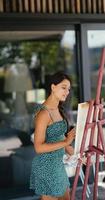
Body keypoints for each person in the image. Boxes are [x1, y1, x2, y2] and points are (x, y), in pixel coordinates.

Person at [30, 71, 75, 200]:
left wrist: (75, 153)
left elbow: (60, 137)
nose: (67, 92)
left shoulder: (58, 109)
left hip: (58, 166)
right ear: (53, 87)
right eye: (63, 87)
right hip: (46, 168)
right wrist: (66, 142)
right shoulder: (43, 114)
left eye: (68, 89)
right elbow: (38, 147)